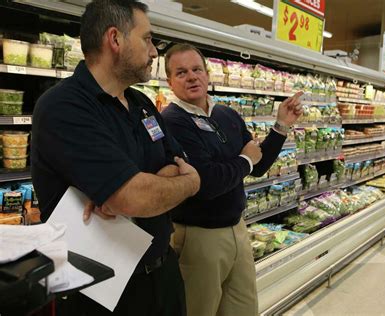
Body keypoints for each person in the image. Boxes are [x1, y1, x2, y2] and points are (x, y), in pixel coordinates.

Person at [31, 1, 200, 315]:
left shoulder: (143, 104)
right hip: (101, 291)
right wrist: (186, 184)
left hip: (163, 274)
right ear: (115, 39)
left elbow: (178, 163)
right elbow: (134, 197)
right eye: (147, 39)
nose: (154, 52)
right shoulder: (63, 106)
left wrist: (144, 187)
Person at [161, 43, 303, 316]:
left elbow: (258, 165)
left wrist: (281, 126)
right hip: (198, 238)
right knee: (198, 309)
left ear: (207, 73)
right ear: (169, 82)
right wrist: (244, 161)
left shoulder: (226, 114)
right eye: (181, 73)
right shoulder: (172, 121)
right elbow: (206, 182)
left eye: (196, 69)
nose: (191, 76)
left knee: (243, 308)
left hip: (237, 228)